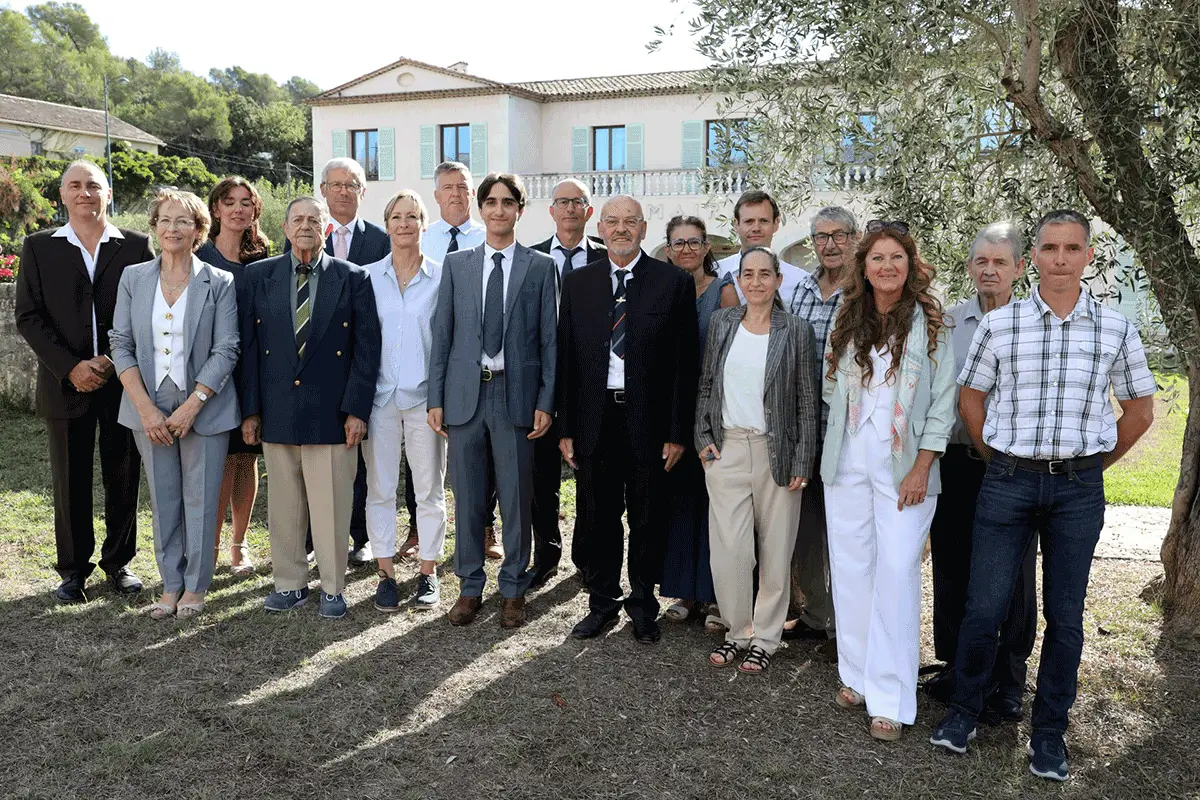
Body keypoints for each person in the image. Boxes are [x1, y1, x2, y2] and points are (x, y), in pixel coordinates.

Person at [931, 210, 1156, 782]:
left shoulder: (1114, 328)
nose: (1060, 258)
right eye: (1050, 248)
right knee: (985, 605)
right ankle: (964, 712)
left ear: (1087, 256)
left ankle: (1049, 732)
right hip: (1006, 480)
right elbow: (970, 400)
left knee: (1066, 615)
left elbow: (1139, 410)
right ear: (1032, 258)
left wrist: (1093, 465)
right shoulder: (1000, 326)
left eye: (1071, 248)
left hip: (1078, 489)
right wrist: (993, 456)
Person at [823, 220, 955, 741]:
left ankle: (892, 696)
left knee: (896, 575)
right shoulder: (847, 314)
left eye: (895, 257)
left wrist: (924, 464)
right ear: (863, 265)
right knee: (853, 570)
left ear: (910, 263)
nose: (885, 266)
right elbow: (830, 383)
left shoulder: (930, 319)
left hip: (906, 468)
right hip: (849, 460)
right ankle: (855, 674)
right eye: (876, 257)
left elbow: (943, 400)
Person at [557, 196, 699, 644]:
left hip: (650, 424)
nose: (621, 229)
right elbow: (566, 360)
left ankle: (642, 604)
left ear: (643, 228)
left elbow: (684, 365)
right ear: (600, 226)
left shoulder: (671, 282)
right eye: (613, 222)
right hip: (594, 421)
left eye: (630, 222)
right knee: (598, 518)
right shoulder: (579, 283)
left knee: (646, 519)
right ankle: (601, 603)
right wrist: (565, 428)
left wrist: (678, 432)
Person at [15, 160, 153, 603]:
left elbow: (146, 311)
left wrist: (113, 361)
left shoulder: (135, 245)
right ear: (62, 195)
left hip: (122, 381)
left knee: (123, 475)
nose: (84, 193)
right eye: (75, 185)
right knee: (69, 479)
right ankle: (73, 571)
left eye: (93, 185)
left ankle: (120, 563)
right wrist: (70, 367)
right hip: (63, 383)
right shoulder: (39, 247)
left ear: (107, 194)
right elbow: (28, 317)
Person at [240, 197, 381, 619]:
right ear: (284, 228)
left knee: (332, 505)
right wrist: (250, 411)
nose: (306, 226)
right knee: (283, 505)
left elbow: (367, 349)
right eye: (298, 219)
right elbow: (248, 350)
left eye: (314, 220)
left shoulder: (352, 277)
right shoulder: (256, 276)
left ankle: (334, 588)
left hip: (333, 414)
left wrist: (357, 410)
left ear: (326, 229)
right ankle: (290, 583)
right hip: (277, 409)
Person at [427, 172, 557, 629]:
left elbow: (549, 341)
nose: (499, 210)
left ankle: (513, 590)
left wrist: (546, 399)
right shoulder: (458, 265)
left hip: (515, 395)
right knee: (468, 497)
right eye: (492, 202)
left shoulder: (540, 267)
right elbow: (441, 334)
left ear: (520, 210)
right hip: (465, 396)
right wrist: (435, 396)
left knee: (517, 499)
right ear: (481, 209)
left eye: (508, 202)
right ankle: (468, 588)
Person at [924, 222, 1038, 720]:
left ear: (1019, 267)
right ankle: (955, 665)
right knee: (952, 564)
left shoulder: (1035, 324)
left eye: (1000, 261)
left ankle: (1010, 678)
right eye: (981, 261)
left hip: (1013, 468)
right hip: (957, 463)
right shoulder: (947, 323)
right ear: (970, 267)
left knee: (1014, 573)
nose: (989, 270)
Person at [109, 189, 240, 619]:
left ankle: (196, 587)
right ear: (154, 226)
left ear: (199, 229)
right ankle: (171, 584)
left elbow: (227, 348)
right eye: (164, 219)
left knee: (201, 499)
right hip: (147, 405)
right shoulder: (134, 278)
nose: (172, 228)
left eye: (183, 221)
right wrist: (146, 409)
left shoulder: (219, 282)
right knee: (164, 498)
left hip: (204, 405)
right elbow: (121, 345)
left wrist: (194, 404)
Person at [696, 246, 818, 673]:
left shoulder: (797, 330)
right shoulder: (722, 323)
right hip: (726, 450)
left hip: (777, 453)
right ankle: (737, 631)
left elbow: (806, 401)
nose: (756, 281)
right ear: (739, 279)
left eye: (765, 274)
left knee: (775, 549)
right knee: (729, 552)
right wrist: (702, 437)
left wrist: (804, 457)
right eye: (748, 273)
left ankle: (766, 638)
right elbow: (706, 384)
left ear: (778, 280)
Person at [363, 190, 448, 612]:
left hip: (425, 402)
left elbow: (447, 343)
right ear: (387, 224)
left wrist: (442, 397)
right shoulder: (367, 277)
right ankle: (385, 574)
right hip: (378, 400)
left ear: (423, 224)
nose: (404, 224)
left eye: (412, 216)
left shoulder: (441, 276)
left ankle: (428, 573)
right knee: (379, 488)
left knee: (428, 488)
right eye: (396, 216)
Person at [524, 178, 608, 587]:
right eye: (563, 202)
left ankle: (586, 557)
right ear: (551, 211)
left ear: (589, 212)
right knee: (542, 478)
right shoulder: (530, 259)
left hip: (590, 386)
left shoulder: (608, 260)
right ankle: (546, 555)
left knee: (590, 474)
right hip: (540, 384)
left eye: (578, 202)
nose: (571, 209)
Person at [784, 206, 858, 652]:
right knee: (808, 529)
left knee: (846, 531)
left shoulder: (867, 291)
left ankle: (847, 628)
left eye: (838, 235)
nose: (829, 244)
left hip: (849, 432)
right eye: (821, 236)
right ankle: (816, 614)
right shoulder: (803, 290)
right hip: (805, 429)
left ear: (855, 238)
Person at [659, 215, 736, 630]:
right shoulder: (663, 289)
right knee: (681, 500)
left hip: (713, 409)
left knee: (716, 503)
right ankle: (685, 591)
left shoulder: (723, 291)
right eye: (678, 243)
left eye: (694, 242)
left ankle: (717, 595)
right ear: (668, 249)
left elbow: (734, 352)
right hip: (672, 409)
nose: (686, 249)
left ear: (707, 247)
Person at [197, 177, 272, 576]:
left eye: (246, 202)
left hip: (253, 369)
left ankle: (238, 544)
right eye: (230, 202)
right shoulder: (200, 257)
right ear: (216, 209)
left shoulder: (264, 259)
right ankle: (207, 545)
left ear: (255, 211)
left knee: (246, 458)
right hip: (212, 370)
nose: (238, 209)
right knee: (219, 460)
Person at [319, 157, 390, 565]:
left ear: (363, 192)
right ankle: (317, 537)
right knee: (317, 449)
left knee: (359, 452)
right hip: (317, 363)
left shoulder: (380, 241)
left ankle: (360, 535)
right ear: (324, 190)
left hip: (363, 360)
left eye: (352, 184)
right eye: (336, 184)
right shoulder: (307, 234)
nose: (343, 191)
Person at [418, 160, 487, 557]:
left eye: (463, 187)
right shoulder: (423, 238)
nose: (456, 194)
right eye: (448, 187)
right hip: (431, 353)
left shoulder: (489, 237)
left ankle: (485, 528)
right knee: (425, 451)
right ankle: (417, 526)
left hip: (477, 358)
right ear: (436, 195)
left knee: (480, 448)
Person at [717, 190, 805, 304]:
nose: (756, 228)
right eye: (749, 221)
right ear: (736, 225)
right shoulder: (717, 273)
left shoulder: (799, 281)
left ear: (776, 224)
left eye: (763, 221)